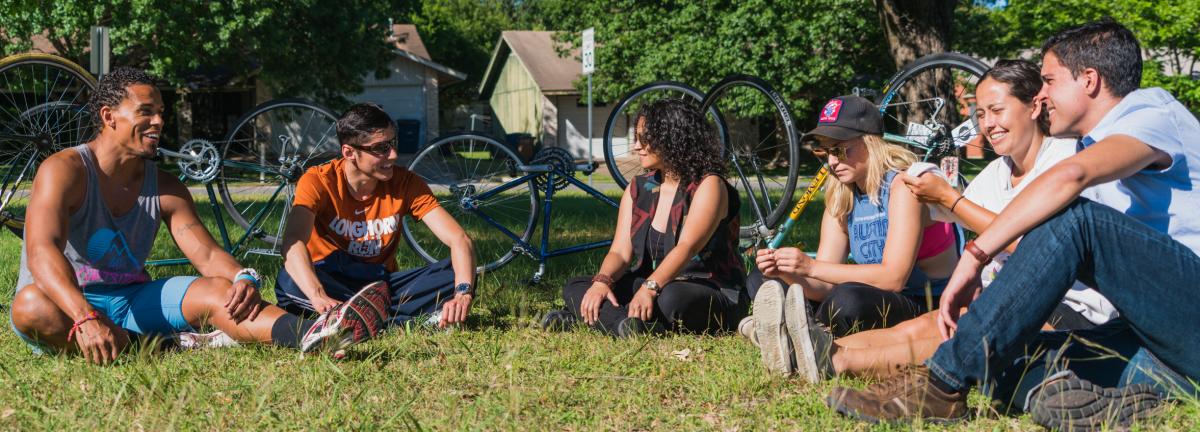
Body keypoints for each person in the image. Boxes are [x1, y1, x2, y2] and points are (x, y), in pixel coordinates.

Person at [826, 19, 1200, 431]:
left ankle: (941, 386)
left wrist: (974, 255)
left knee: (1072, 217)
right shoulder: (1089, 145)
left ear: (1090, 80)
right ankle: (1097, 399)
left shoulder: (1151, 111)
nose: (1041, 95)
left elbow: (1069, 183)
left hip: (1188, 314)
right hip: (1162, 346)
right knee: (1005, 353)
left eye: (1049, 81)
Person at [758, 60, 1118, 382]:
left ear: (1033, 106)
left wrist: (949, 198)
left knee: (954, 336)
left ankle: (838, 362)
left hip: (1070, 307)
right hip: (1008, 292)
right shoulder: (994, 174)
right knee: (921, 327)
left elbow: (1045, 245)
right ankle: (813, 346)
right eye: (980, 114)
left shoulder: (1068, 158)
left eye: (996, 110)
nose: (987, 125)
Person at [8, 68, 387, 364]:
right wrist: (84, 316)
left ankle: (313, 335)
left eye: (161, 112)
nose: (158, 121)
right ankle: (157, 348)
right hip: (64, 304)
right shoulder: (65, 170)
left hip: (130, 300)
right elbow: (41, 252)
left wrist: (241, 276)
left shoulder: (166, 186)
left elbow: (206, 256)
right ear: (109, 116)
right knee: (29, 306)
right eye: (146, 112)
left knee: (222, 293)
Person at [751, 95, 959, 374]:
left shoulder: (904, 186)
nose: (833, 162)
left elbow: (893, 278)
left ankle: (795, 332)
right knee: (764, 279)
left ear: (871, 143)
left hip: (925, 305)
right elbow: (822, 283)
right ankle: (799, 332)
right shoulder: (841, 194)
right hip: (875, 297)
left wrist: (809, 266)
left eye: (841, 150)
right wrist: (787, 272)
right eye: (825, 152)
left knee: (848, 300)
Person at [540, 98, 747, 337]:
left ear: (672, 138)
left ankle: (589, 318)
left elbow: (687, 248)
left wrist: (650, 287)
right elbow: (619, 252)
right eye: (636, 138)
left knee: (671, 299)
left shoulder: (709, 185)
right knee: (577, 286)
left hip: (707, 289)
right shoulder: (638, 188)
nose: (636, 147)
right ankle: (627, 325)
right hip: (652, 284)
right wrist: (602, 282)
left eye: (644, 139)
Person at [277, 103, 476, 328]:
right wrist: (318, 295)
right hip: (331, 280)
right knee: (288, 281)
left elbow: (460, 239)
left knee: (458, 272)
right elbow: (293, 242)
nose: (393, 155)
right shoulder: (318, 181)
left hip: (382, 287)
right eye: (381, 148)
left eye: (393, 143)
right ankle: (397, 320)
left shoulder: (406, 183)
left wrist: (462, 293)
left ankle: (353, 320)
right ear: (349, 152)